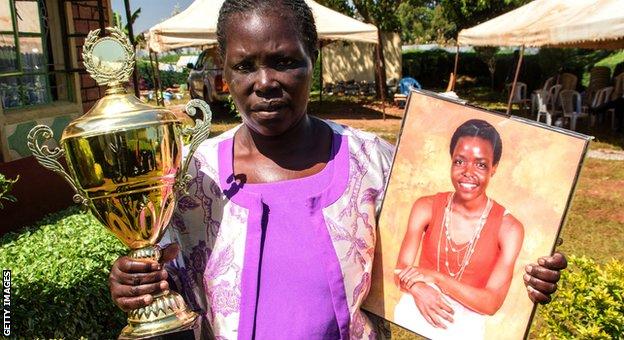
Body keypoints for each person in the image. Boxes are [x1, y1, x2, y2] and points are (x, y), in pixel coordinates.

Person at [108, 1, 567, 339]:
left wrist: (531, 270)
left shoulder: (375, 162)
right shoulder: (193, 176)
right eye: (245, 66)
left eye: (285, 61)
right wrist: (137, 283)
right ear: (225, 71)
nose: (265, 82)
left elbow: (443, 253)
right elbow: (165, 274)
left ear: (315, 58)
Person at [394, 119, 527, 339]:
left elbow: (491, 303)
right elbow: (401, 270)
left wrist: (437, 279)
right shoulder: (425, 207)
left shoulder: (510, 229)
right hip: (414, 313)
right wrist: (418, 290)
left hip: (465, 327)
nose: (468, 172)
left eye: (481, 164)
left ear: (494, 168)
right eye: (459, 161)